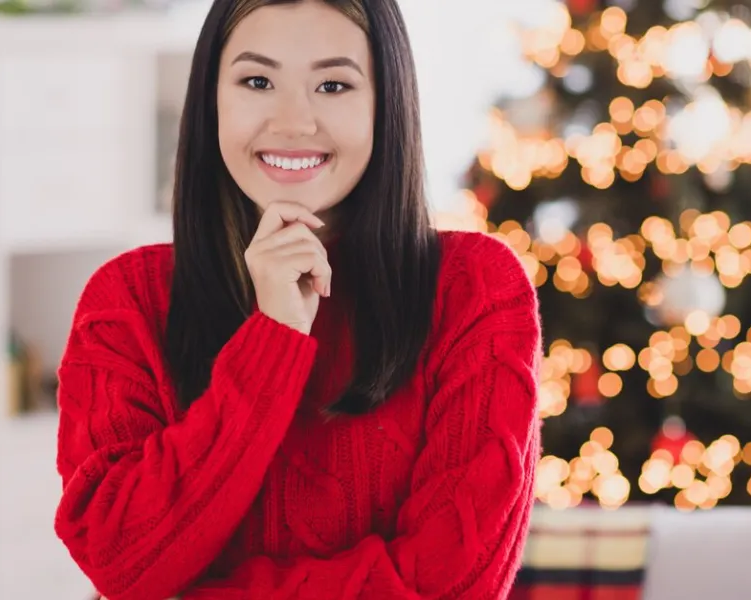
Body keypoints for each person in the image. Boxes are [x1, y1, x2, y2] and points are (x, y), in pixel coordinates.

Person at [52, 0, 543, 598]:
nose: (294, 122)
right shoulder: (127, 301)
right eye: (257, 81)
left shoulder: (474, 289)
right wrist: (273, 338)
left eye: (333, 85)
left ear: (385, 104)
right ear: (211, 100)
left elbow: (453, 582)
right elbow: (119, 559)